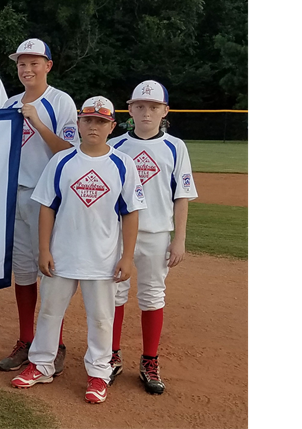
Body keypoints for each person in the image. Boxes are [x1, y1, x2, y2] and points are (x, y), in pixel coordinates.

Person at [11, 96, 146, 405]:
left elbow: (131, 212)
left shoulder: (122, 164)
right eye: (88, 120)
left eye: (101, 121)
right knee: (49, 312)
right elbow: (47, 207)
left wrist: (127, 256)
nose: (94, 126)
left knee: (101, 317)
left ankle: (99, 372)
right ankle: (42, 364)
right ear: (79, 125)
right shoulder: (62, 161)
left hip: (102, 258)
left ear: (112, 126)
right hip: (62, 254)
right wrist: (43, 249)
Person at [107, 80, 198, 395]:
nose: (147, 112)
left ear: (165, 111)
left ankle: (149, 361)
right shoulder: (116, 145)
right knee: (115, 294)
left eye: (154, 107)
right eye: (140, 106)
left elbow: (181, 196)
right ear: (130, 109)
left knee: (152, 296)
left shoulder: (175, 146)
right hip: (119, 234)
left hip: (158, 232)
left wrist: (179, 238)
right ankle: (112, 356)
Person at [0, 38, 78, 374]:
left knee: (50, 271)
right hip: (14, 194)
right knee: (25, 274)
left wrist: (37, 123)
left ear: (48, 65)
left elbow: (70, 152)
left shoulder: (60, 101)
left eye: (33, 63)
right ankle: (27, 340)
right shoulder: (11, 102)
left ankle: (53, 343)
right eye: (21, 64)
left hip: (47, 198)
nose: (26, 69)